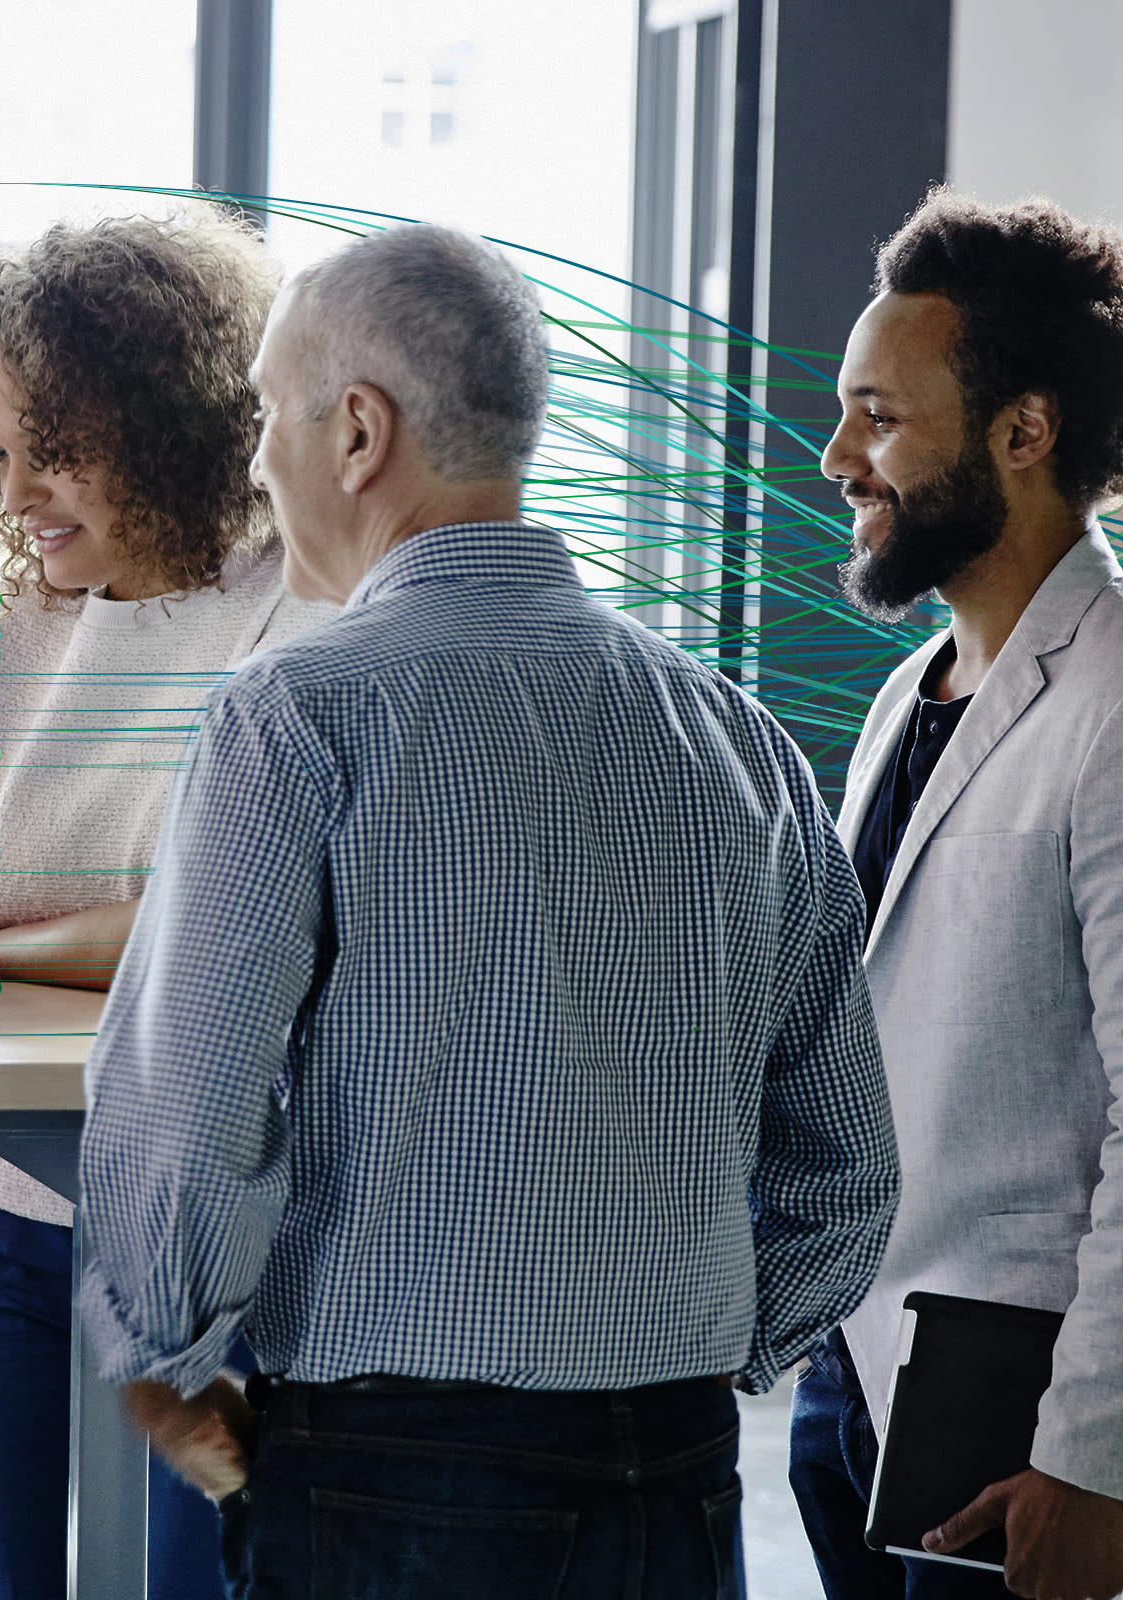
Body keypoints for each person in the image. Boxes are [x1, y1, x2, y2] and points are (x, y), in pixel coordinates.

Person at [73, 222, 902, 1600]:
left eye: (271, 417)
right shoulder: (732, 736)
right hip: (679, 1467)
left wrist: (161, 1358)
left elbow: (192, 1099)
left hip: (389, 1469)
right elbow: (846, 1162)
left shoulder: (299, 714)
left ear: (357, 431)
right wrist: (701, 1347)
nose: (257, 462)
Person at [0, 209, 340, 1600]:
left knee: (190, 1584)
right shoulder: (6, 624)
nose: (18, 488)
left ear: (168, 423)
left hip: (204, 1220)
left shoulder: (297, 618)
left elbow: (209, 940)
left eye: (58, 450)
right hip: (10, 1202)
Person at [790, 190, 1123, 1600]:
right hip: (872, 1383)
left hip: (1036, 1427)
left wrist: (1093, 1464)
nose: (840, 458)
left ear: (1024, 432)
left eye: (880, 417)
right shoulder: (919, 690)